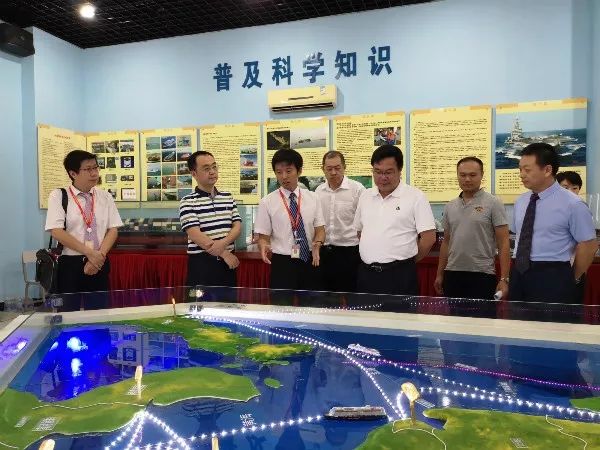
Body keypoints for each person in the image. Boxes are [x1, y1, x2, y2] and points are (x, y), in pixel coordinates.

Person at [510, 143, 597, 305]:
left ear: (547, 170)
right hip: (518, 272)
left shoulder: (573, 204)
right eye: (520, 169)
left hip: (553, 275)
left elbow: (589, 245)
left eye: (527, 170)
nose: (521, 175)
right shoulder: (521, 201)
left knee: (553, 321)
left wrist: (573, 278)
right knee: (516, 319)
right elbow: (518, 236)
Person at [353, 145, 436, 297]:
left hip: (400, 276)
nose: (382, 177)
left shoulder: (415, 196)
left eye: (388, 172)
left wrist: (406, 262)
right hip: (367, 274)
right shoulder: (365, 196)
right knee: (365, 313)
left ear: (399, 170)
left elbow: (429, 238)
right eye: (377, 172)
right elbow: (360, 232)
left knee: (400, 313)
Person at [45, 150, 123, 310]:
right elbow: (56, 231)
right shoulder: (59, 196)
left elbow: (113, 229)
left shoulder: (105, 197)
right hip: (70, 264)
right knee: (68, 314)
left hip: (100, 260)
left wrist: (98, 256)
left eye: (96, 168)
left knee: (99, 312)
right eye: (88, 169)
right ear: (73, 173)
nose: (94, 173)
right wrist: (89, 253)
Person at [434, 157, 511, 304]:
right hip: (452, 274)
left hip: (482, 274)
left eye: (472, 175)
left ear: (482, 175)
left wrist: (504, 279)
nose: (467, 179)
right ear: (457, 175)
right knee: (454, 318)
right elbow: (446, 242)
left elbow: (503, 242)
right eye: (462, 175)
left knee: (482, 318)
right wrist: (440, 274)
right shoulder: (450, 206)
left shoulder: (493, 203)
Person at [255, 148, 325, 291]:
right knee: (281, 302)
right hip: (283, 262)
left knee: (311, 302)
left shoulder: (313, 198)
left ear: (299, 171)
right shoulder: (267, 202)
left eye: (288, 171)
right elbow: (263, 237)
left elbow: (320, 230)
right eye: (279, 172)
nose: (284, 176)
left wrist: (318, 244)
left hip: (310, 258)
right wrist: (263, 245)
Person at [179, 151, 241, 288]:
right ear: (194, 173)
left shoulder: (228, 197)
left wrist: (223, 244)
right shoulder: (187, 201)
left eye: (214, 167)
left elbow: (237, 227)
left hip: (228, 264)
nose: (212, 171)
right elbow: (195, 234)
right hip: (202, 265)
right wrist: (224, 253)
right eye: (206, 168)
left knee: (228, 300)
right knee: (198, 301)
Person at [315, 151, 365, 292]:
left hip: (350, 252)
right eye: (329, 169)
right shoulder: (318, 191)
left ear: (344, 167)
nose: (333, 172)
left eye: (337, 168)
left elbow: (364, 222)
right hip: (325, 251)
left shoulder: (357, 189)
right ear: (323, 169)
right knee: (327, 296)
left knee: (351, 295)